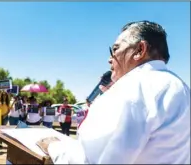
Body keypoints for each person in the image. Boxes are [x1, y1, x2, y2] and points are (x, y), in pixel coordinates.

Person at [37, 21, 190, 164]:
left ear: (139, 50)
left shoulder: (132, 87)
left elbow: (92, 160)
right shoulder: (182, 88)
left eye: (115, 49)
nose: (110, 59)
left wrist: (54, 147)